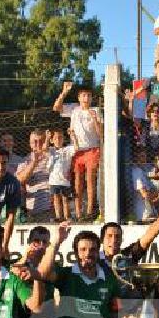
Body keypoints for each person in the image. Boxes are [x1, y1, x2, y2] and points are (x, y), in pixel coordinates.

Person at [36, 223, 149, 318]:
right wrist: (56, 242)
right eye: (83, 250)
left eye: (93, 250)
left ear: (98, 252)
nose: (88, 254)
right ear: (75, 253)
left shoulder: (109, 279)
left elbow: (116, 312)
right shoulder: (67, 274)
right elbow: (42, 273)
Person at [53, 81, 103, 222]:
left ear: (91, 98)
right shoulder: (74, 109)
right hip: (77, 150)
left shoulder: (96, 111)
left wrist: (95, 119)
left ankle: (89, 212)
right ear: (79, 98)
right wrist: (64, 92)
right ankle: (79, 213)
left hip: (92, 149)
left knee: (90, 180)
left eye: (88, 95)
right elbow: (56, 108)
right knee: (77, 182)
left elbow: (100, 134)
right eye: (83, 95)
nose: (86, 98)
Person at [15, 129, 53, 222]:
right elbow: (19, 180)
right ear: (30, 144)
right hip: (36, 209)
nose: (38, 144)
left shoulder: (55, 154)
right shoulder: (25, 161)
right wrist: (34, 163)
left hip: (57, 207)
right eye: (34, 142)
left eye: (41, 141)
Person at [47, 128, 78, 222]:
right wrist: (47, 138)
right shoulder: (51, 150)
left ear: (63, 138)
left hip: (65, 180)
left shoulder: (67, 149)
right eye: (55, 138)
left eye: (60, 137)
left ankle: (67, 216)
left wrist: (72, 135)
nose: (58, 140)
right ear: (52, 140)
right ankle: (58, 216)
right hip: (54, 180)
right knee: (56, 199)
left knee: (65, 199)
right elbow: (44, 148)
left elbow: (76, 147)